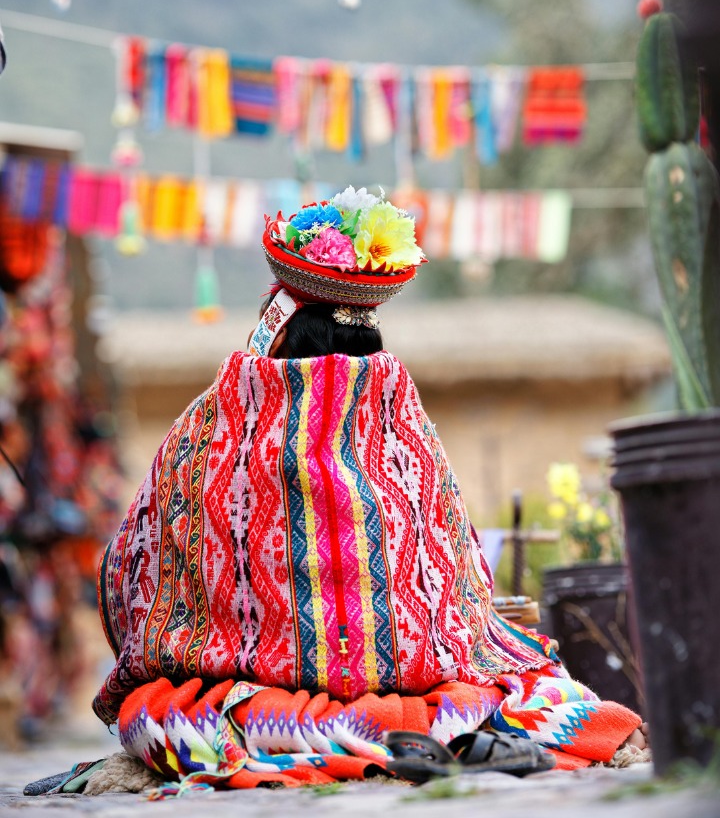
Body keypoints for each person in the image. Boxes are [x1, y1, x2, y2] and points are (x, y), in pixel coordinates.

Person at [92, 188, 646, 791]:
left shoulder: (208, 426)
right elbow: (456, 580)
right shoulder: (403, 427)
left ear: (277, 329)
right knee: (526, 700)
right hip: (424, 687)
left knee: (166, 721)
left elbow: (133, 568)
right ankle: (443, 735)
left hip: (251, 709)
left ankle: (359, 739)